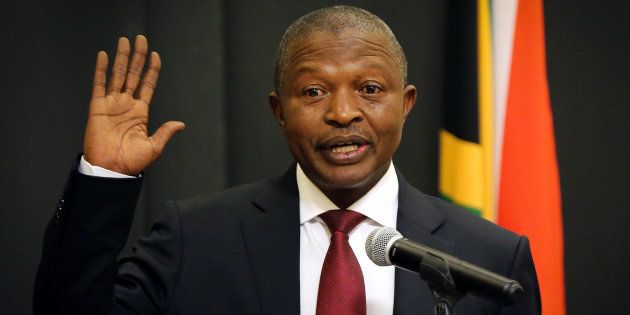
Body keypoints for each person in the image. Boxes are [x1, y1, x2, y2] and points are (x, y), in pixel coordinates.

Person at [34, 5, 540, 315]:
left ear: (405, 104)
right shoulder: (197, 238)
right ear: (279, 111)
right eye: (314, 91)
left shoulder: (489, 259)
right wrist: (104, 178)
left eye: (368, 89)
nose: (343, 113)